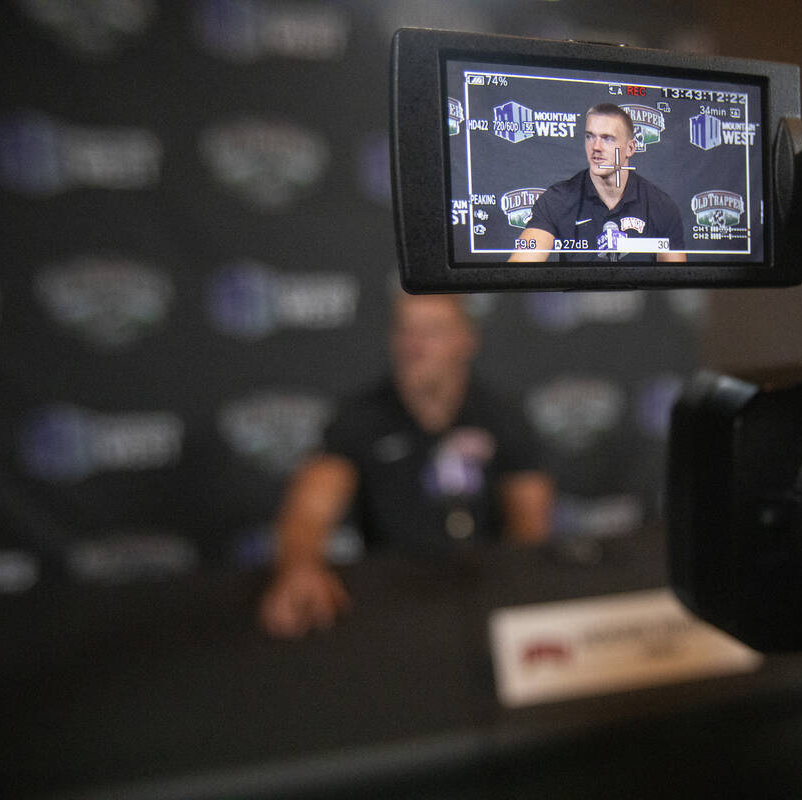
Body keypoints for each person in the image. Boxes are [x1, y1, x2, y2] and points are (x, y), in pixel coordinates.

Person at [259, 293, 554, 638]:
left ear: (467, 340)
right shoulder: (359, 418)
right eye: (405, 331)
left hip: (485, 593)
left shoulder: (503, 416)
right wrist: (300, 567)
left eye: (433, 331)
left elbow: (530, 524)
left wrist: (518, 598)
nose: (415, 345)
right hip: (393, 602)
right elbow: (308, 511)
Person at [508, 103, 686, 264]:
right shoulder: (557, 199)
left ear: (630, 148)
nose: (596, 147)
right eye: (590, 137)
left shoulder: (661, 206)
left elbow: (676, 283)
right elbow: (520, 268)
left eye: (607, 138)